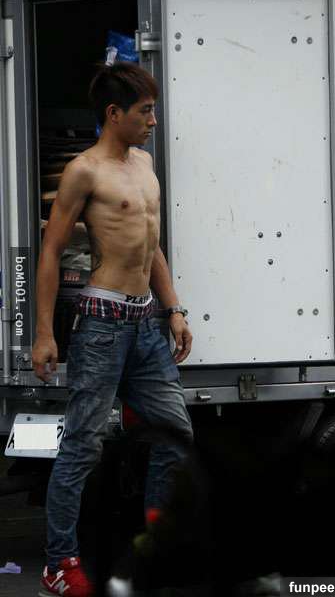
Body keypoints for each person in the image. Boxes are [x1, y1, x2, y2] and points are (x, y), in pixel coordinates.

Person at [32, 61, 193, 597]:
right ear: (114, 113)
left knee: (177, 436)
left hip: (146, 324)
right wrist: (44, 334)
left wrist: (174, 308)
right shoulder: (84, 171)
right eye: (145, 111)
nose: (153, 121)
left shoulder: (144, 162)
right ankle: (59, 563)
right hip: (102, 325)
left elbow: (151, 245)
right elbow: (51, 251)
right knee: (83, 446)